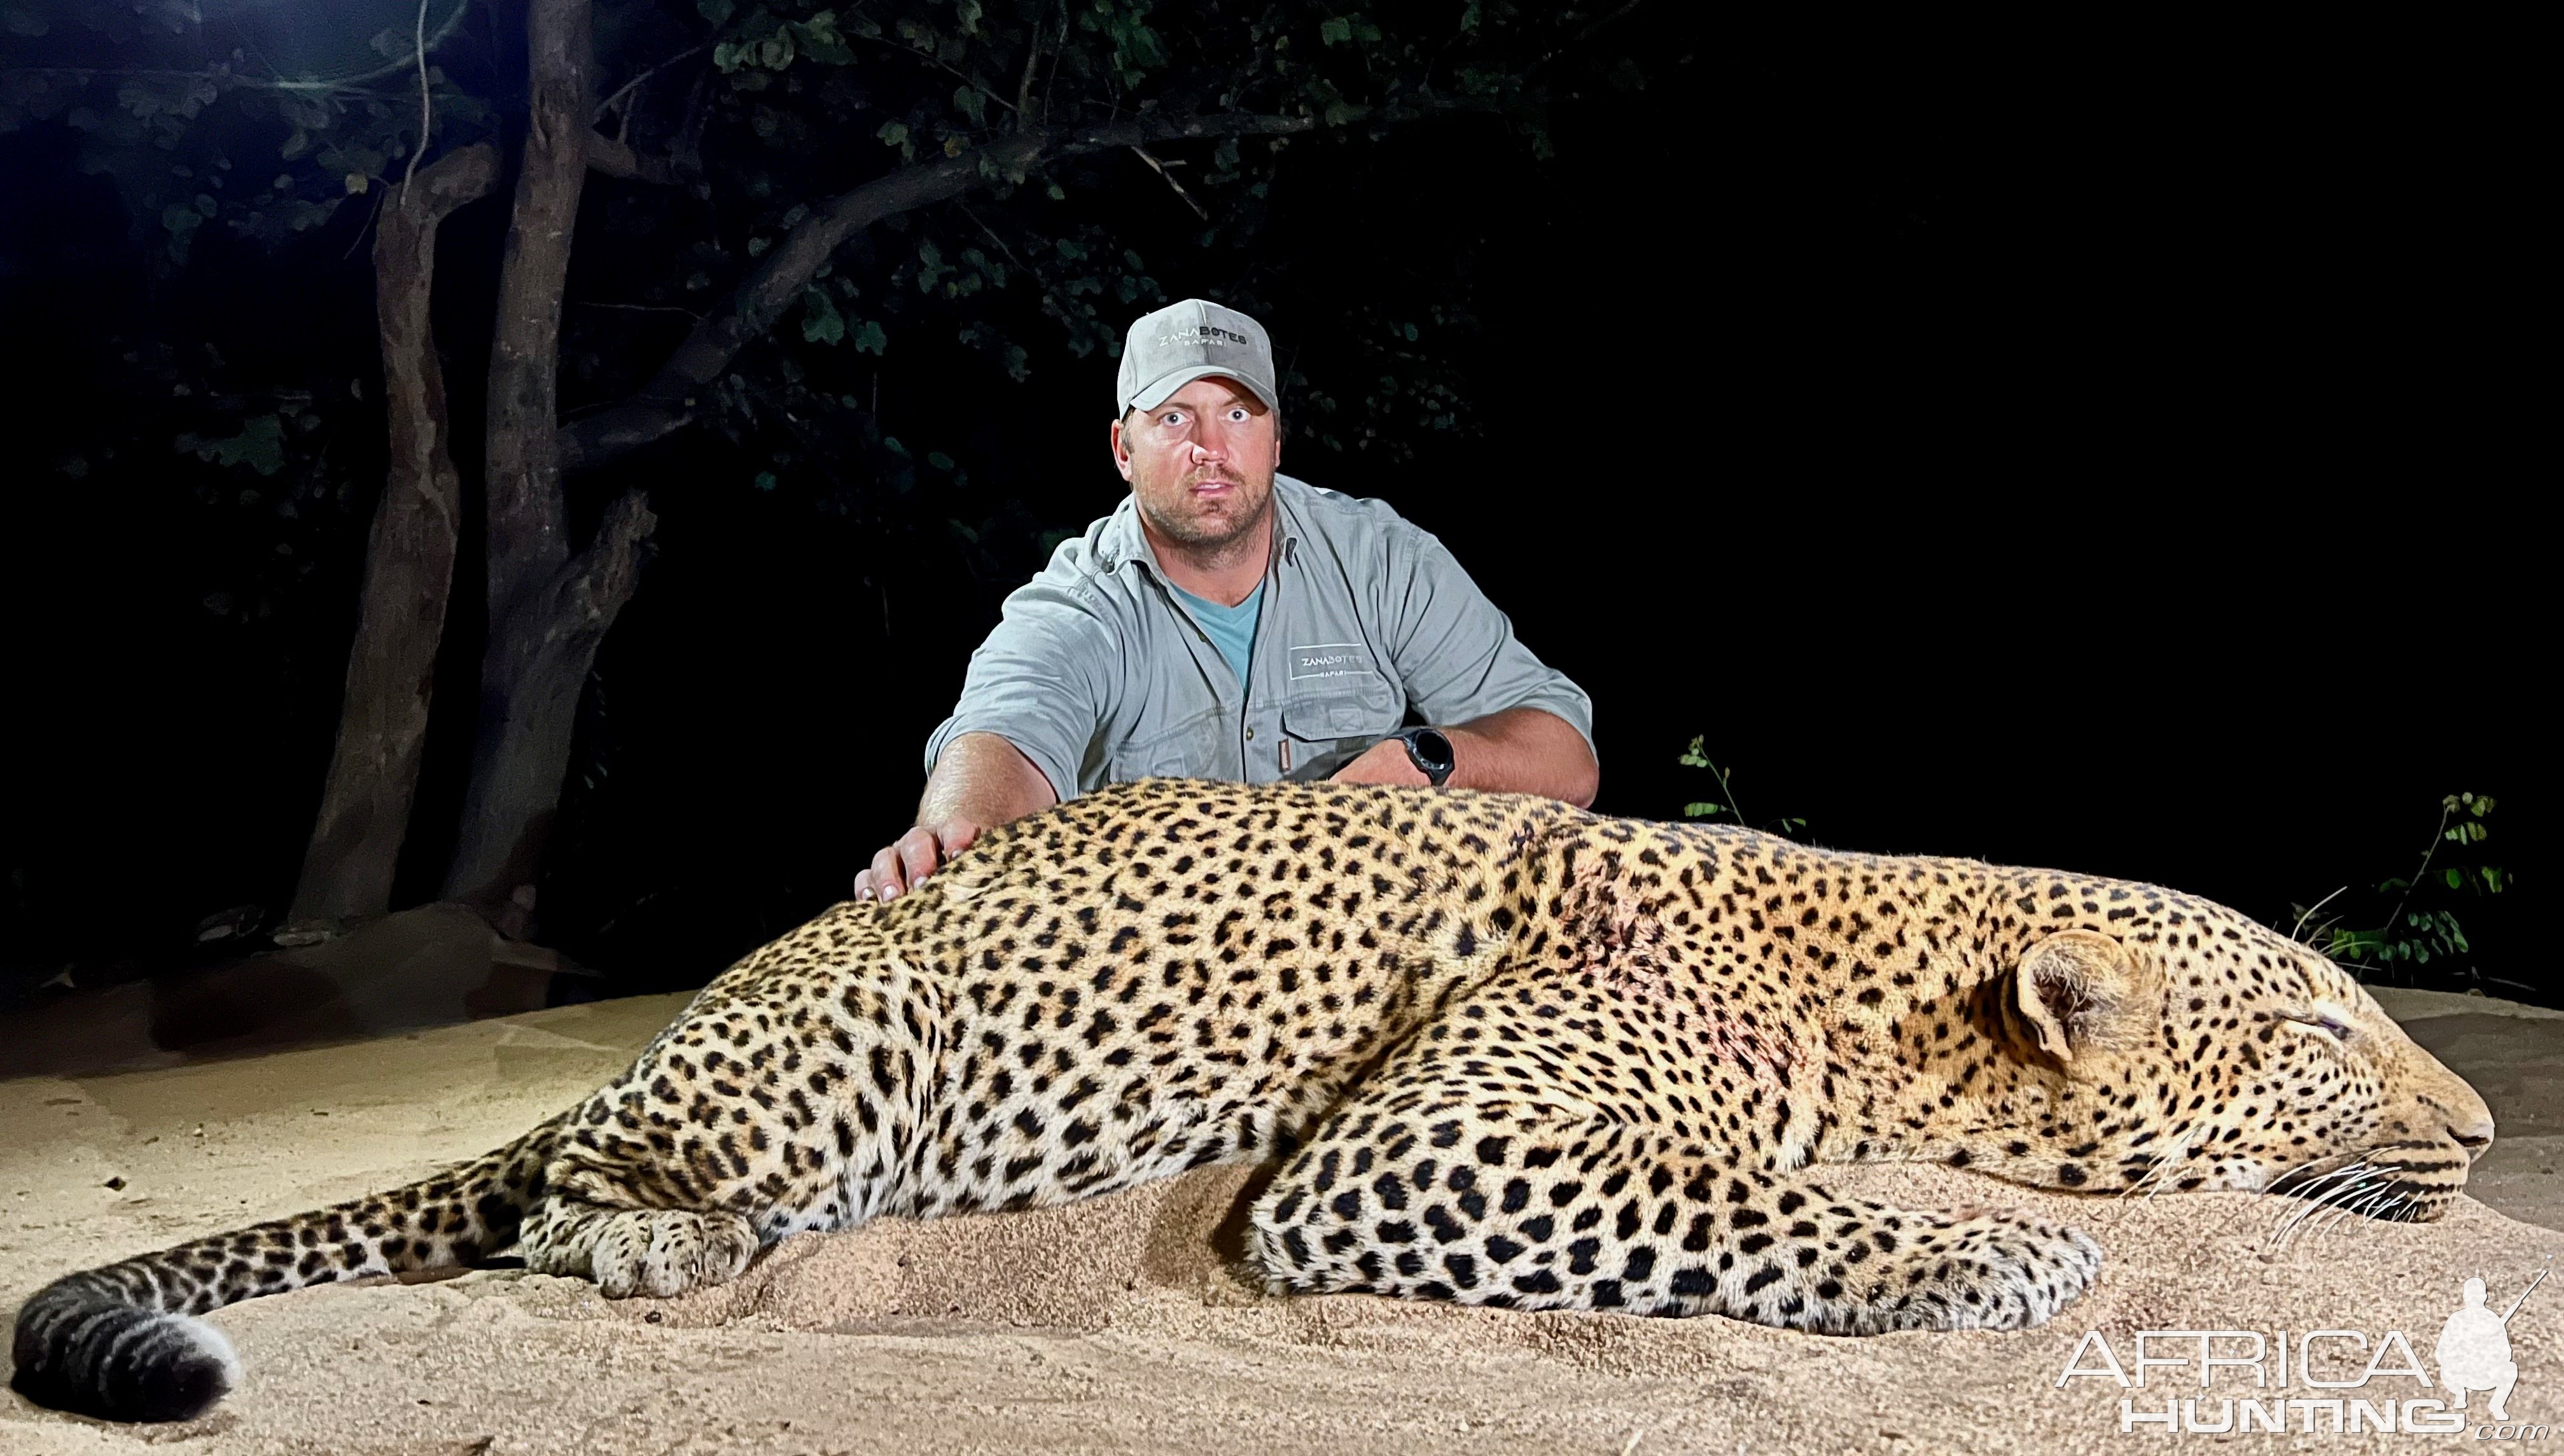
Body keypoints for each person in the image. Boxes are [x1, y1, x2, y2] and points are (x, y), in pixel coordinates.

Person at [854, 298, 1597, 901]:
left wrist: (1423, 761)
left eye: (1239, 414)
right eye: (1174, 417)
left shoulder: (1378, 558)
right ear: (1123, 449)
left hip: (1361, 952)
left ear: (1276, 440)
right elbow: (1002, 736)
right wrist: (957, 831)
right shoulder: (1081, 604)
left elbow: (1565, 757)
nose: (1210, 445)